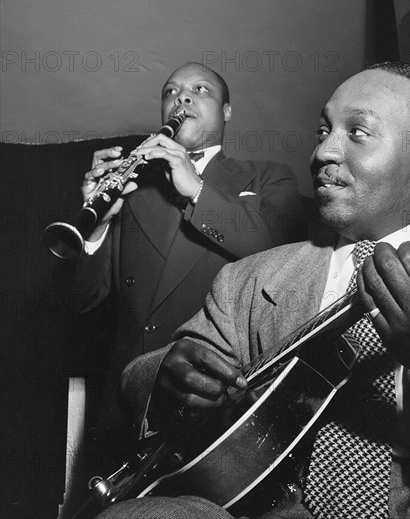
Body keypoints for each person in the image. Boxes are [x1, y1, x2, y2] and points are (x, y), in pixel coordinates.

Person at [96, 62, 410, 519]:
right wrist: (167, 378)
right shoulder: (249, 279)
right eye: (323, 131)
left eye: (357, 132)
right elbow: (144, 379)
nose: (323, 153)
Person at [54, 62, 306, 467]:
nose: (182, 97)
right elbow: (79, 299)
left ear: (226, 111)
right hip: (126, 409)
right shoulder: (134, 186)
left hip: (219, 409)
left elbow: (283, 254)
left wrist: (198, 190)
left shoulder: (267, 177)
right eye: (171, 91)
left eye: (200, 89)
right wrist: (95, 223)